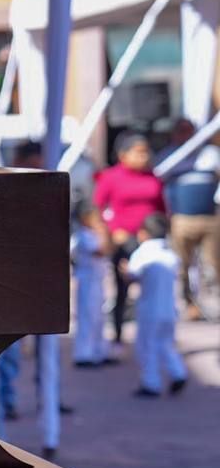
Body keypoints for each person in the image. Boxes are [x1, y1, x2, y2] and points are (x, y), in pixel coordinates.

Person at [94, 132, 167, 345]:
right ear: (123, 155)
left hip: (150, 242)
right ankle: (117, 334)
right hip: (124, 240)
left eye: (146, 152)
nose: (144, 157)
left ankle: (155, 335)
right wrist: (111, 232)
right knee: (122, 289)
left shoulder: (153, 177)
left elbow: (162, 209)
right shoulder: (111, 176)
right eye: (138, 152)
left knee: (154, 288)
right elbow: (97, 208)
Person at [157, 118, 220, 320]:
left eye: (189, 131)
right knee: (182, 266)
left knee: (213, 265)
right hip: (181, 220)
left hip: (210, 219)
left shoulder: (209, 155)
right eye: (180, 131)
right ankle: (189, 305)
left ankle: (213, 305)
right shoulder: (168, 156)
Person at [124, 213, 188, 398]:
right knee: (166, 344)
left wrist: (125, 272)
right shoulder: (170, 255)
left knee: (147, 346)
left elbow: (133, 274)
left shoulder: (143, 253)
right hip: (169, 308)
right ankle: (178, 372)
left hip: (149, 309)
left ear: (144, 233)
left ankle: (151, 382)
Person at [71, 200, 112, 368]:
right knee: (87, 318)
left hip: (97, 281)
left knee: (98, 318)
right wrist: (103, 231)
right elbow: (101, 251)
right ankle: (83, 354)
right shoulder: (82, 236)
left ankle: (98, 352)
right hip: (86, 281)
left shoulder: (91, 235)